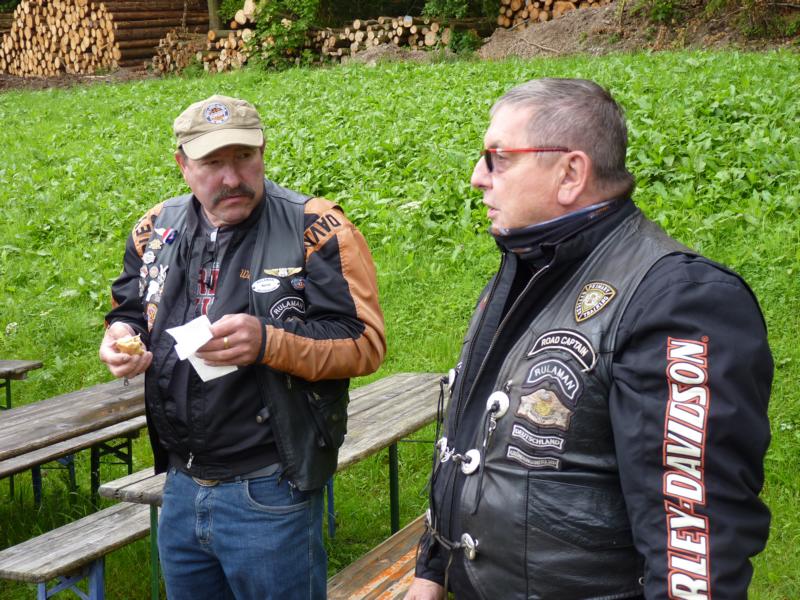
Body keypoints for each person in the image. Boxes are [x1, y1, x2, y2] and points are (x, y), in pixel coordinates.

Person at [406, 78, 772, 599]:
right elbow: (468, 437)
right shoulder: (527, 266)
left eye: (498, 158)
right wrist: (432, 568)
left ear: (571, 173)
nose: (477, 177)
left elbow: (693, 548)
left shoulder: (678, 302)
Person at [99, 94, 386, 599]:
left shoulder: (315, 227)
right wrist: (121, 337)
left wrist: (268, 342)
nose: (232, 178)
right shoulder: (155, 229)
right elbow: (130, 308)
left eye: (244, 157)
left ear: (263, 151)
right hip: (180, 486)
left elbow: (364, 342)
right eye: (213, 163)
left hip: (270, 487)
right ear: (183, 166)